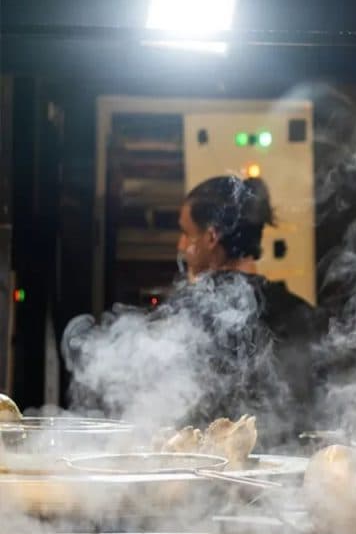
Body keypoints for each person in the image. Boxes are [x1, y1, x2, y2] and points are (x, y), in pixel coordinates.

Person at [63, 175, 326, 448]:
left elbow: (114, 366)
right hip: (288, 478)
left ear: (211, 237)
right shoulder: (301, 312)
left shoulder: (187, 313)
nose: (180, 245)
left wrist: (76, 335)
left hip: (210, 481)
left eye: (186, 233)